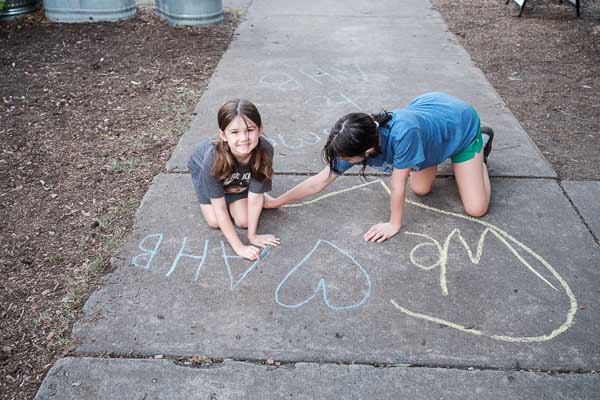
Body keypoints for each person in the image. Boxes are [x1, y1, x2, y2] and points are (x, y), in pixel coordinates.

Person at [264, 92, 494, 243]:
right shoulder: (353, 140)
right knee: (422, 190)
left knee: (476, 208)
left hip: (459, 123)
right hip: (431, 124)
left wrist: (394, 224)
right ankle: (445, 153)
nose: (344, 161)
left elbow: (397, 185)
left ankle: (479, 150)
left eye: (349, 158)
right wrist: (276, 201)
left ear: (367, 151)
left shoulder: (403, 134)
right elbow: (318, 181)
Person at [188, 99, 280, 260]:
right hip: (207, 170)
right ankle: (241, 189)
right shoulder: (212, 159)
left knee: (244, 221)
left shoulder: (265, 150)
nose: (244, 138)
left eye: (249, 130)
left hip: (236, 177)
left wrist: (252, 236)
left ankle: (250, 189)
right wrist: (240, 247)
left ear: (260, 130)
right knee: (215, 221)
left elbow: (255, 198)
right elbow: (220, 208)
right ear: (223, 135)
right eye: (235, 132)